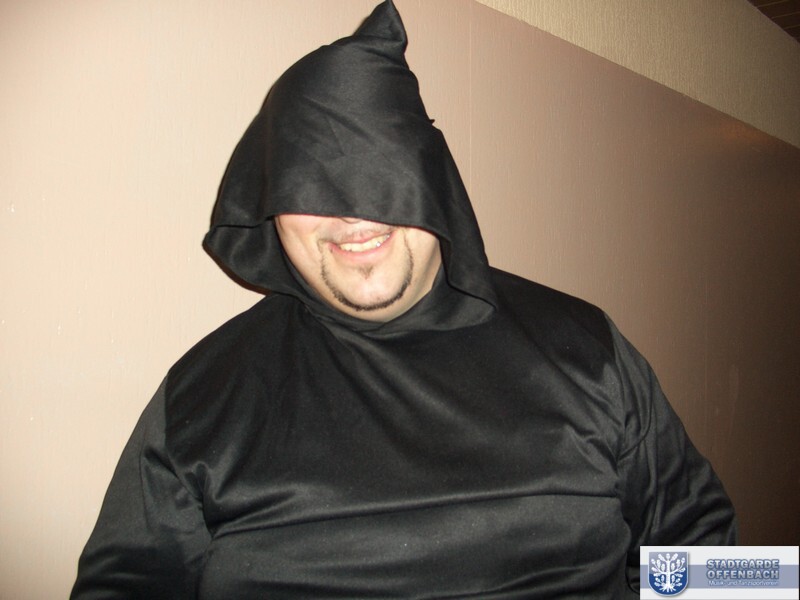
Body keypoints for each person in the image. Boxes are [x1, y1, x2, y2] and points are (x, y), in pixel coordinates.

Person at [71, 1, 736, 598]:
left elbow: (708, 551)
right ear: (270, 206)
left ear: (430, 179)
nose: (350, 216)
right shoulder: (203, 395)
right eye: (311, 183)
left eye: (378, 176)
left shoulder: (586, 350)